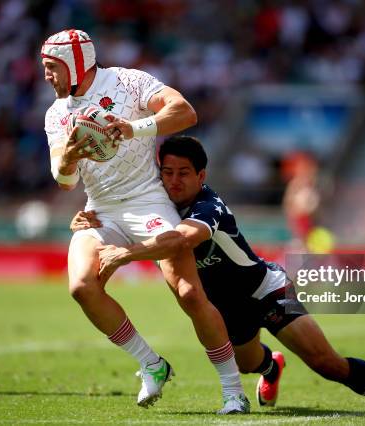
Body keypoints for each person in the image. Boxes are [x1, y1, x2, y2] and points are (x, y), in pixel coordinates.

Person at [71, 136, 365, 414]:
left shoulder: (209, 204)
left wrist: (128, 254)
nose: (173, 181)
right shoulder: (153, 204)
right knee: (248, 364)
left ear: (201, 174)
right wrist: (92, 220)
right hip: (224, 312)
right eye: (167, 172)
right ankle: (271, 365)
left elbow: (183, 239)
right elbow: (118, 212)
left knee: (326, 363)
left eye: (183, 173)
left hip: (265, 291)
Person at [41, 29, 248, 414]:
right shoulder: (57, 113)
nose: (47, 76)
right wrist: (68, 159)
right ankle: (152, 364)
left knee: (189, 294)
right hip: (99, 209)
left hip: (148, 202)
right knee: (82, 287)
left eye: (52, 67)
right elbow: (65, 179)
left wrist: (133, 127)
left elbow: (185, 112)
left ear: (75, 64)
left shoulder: (128, 82)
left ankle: (233, 390)